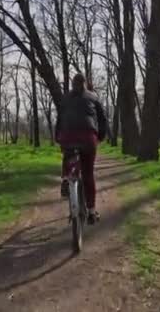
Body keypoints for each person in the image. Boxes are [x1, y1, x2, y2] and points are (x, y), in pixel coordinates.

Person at [55, 73, 107, 224]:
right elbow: (102, 120)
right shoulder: (93, 97)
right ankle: (91, 211)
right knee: (88, 173)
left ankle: (65, 178)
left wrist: (58, 137)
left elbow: (59, 120)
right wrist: (100, 137)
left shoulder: (65, 99)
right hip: (87, 138)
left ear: (72, 84)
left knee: (67, 154)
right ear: (85, 84)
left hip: (68, 136)